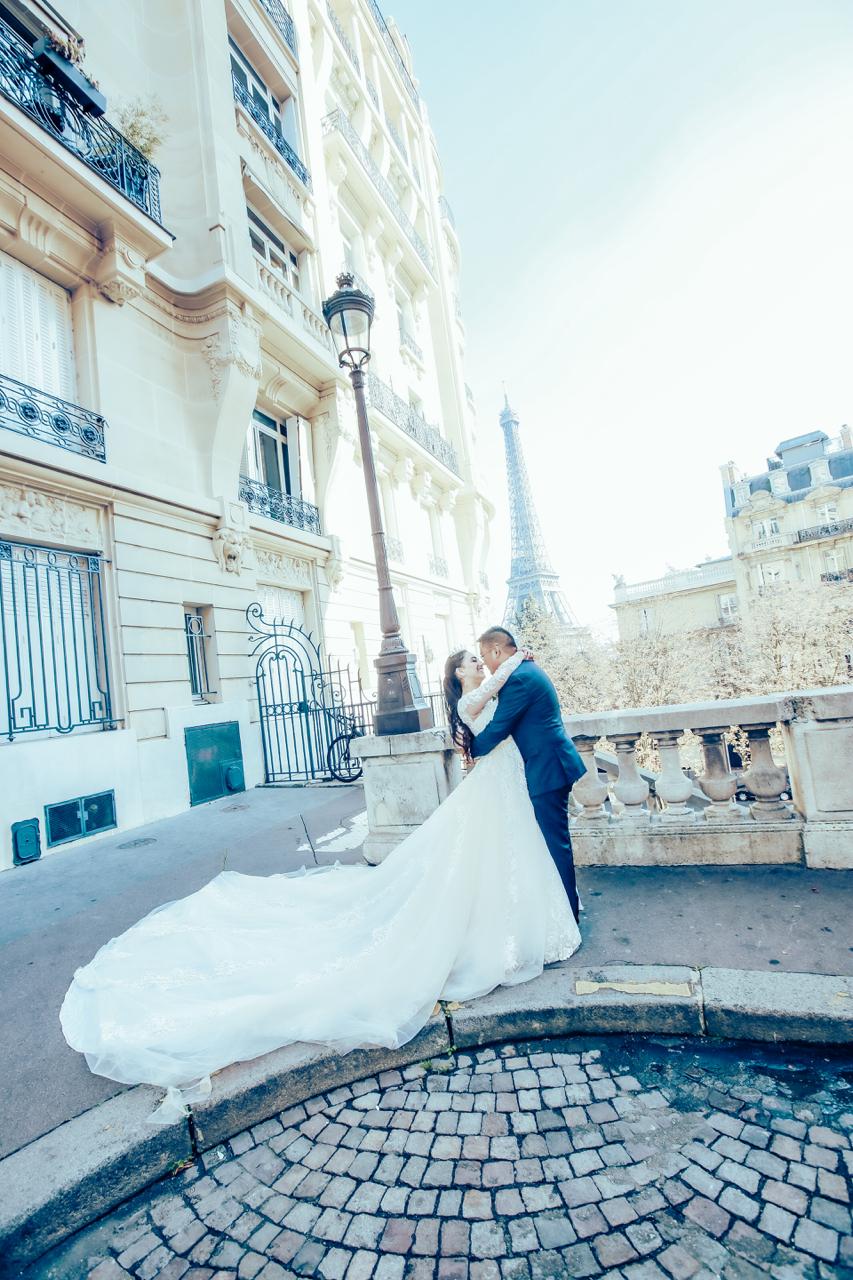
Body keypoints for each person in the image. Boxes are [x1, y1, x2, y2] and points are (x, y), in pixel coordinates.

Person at [60, 644, 581, 1121]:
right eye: (472, 661)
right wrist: (514, 662)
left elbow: (503, 697)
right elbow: (488, 724)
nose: (480, 664)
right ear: (459, 673)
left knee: (496, 857)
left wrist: (513, 664)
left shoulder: (490, 688)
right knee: (483, 858)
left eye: (482, 659)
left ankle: (507, 916)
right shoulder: (472, 699)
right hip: (495, 784)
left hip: (503, 786)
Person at [471, 626, 585, 922]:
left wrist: (472, 749)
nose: (484, 663)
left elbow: (499, 727)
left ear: (497, 650)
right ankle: (563, 908)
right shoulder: (523, 669)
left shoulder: (519, 679)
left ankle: (568, 915)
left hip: (549, 768)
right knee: (552, 841)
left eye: (484, 655)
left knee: (555, 844)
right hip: (550, 764)